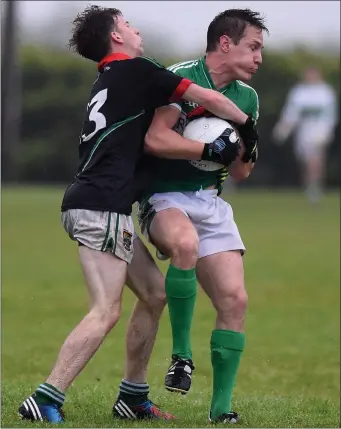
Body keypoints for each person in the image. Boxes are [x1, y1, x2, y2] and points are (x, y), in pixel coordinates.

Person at [18, 5, 259, 424]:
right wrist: (244, 129)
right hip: (101, 205)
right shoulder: (138, 70)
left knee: (154, 293)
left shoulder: (112, 78)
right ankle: (46, 396)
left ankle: (132, 395)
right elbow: (206, 97)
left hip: (102, 204)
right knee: (105, 310)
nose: (136, 29)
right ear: (116, 37)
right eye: (128, 24)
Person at [128, 9, 267, 424]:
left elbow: (241, 171)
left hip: (209, 200)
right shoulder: (181, 78)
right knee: (184, 245)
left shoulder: (248, 99)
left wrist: (240, 144)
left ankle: (221, 409)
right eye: (254, 47)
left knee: (234, 300)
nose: (260, 57)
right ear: (225, 43)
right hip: (163, 196)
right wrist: (207, 149)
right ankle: (182, 356)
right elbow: (155, 139)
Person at [273, 66, 337, 203]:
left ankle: (316, 188)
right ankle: (309, 186)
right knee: (305, 161)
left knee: (316, 159)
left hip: (320, 130)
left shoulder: (325, 92)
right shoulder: (299, 92)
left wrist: (327, 131)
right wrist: (283, 129)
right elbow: (291, 114)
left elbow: (331, 115)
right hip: (303, 132)